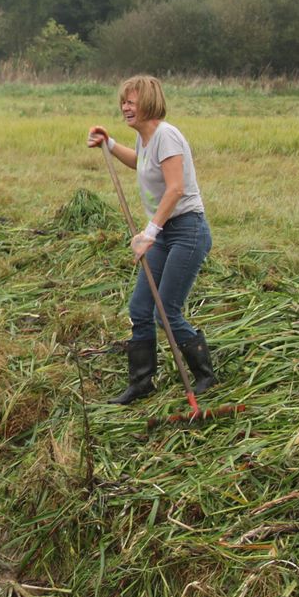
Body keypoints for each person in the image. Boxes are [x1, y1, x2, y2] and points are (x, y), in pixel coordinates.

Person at [87, 75, 216, 405]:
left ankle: (204, 376)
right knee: (141, 308)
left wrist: (149, 233)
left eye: (131, 101)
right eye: (123, 102)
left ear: (148, 102)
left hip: (186, 231)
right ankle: (141, 382)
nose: (125, 107)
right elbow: (141, 164)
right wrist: (110, 144)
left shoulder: (166, 136)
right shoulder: (146, 140)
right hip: (163, 232)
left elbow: (176, 189)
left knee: (166, 312)